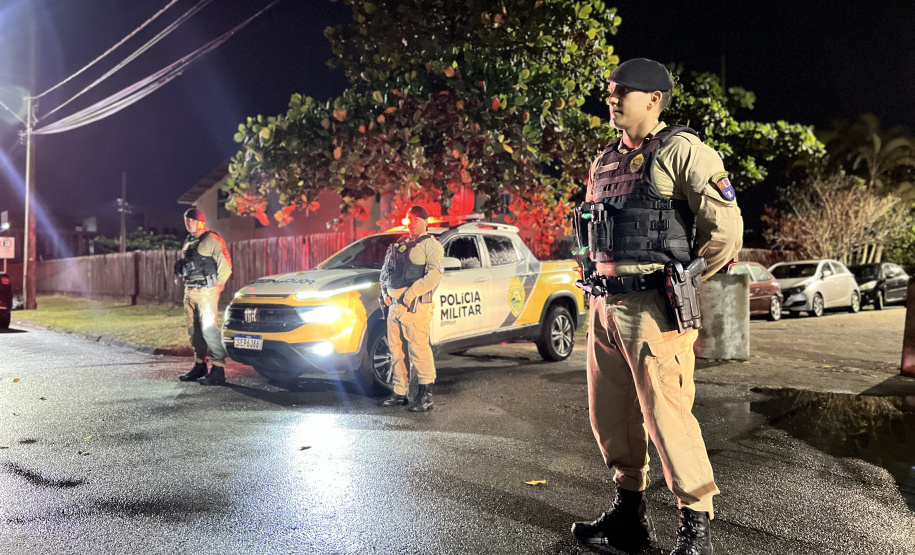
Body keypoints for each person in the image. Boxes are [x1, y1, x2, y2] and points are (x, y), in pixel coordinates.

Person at [570, 58, 743, 555]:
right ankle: (629, 517)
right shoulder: (604, 160)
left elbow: (725, 234)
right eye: (610, 90)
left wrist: (685, 282)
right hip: (606, 304)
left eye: (623, 91)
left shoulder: (683, 151)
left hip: (654, 306)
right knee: (612, 416)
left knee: (667, 415)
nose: (612, 97)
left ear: (654, 99)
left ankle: (696, 525)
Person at [377, 205, 445, 412]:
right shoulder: (400, 244)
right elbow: (385, 272)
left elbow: (435, 274)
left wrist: (411, 294)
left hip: (415, 307)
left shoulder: (431, 245)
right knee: (396, 351)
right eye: (409, 218)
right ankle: (400, 392)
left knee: (419, 350)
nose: (412, 222)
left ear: (425, 221)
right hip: (394, 307)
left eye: (416, 219)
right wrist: (385, 294)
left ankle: (425, 396)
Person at [175, 208, 233, 386]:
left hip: (206, 291)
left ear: (201, 221)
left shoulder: (212, 239)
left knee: (209, 330)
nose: (189, 223)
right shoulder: (189, 241)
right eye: (187, 220)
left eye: (192, 220)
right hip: (190, 290)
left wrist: (218, 287)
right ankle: (200, 365)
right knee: (194, 332)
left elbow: (226, 266)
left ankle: (218, 368)